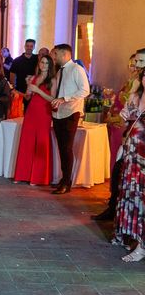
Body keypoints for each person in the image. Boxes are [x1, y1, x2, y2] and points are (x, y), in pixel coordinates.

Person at [93, 51, 143, 221]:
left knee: (123, 169)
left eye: (138, 62)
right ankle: (115, 205)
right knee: (117, 167)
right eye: (133, 62)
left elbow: (133, 110)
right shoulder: (133, 83)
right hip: (127, 129)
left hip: (135, 132)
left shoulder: (138, 84)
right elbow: (125, 109)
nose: (134, 66)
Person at [50, 44, 90, 194]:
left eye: (56, 54)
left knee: (66, 148)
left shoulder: (76, 69)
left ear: (65, 54)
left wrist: (64, 98)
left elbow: (85, 90)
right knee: (62, 148)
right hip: (59, 113)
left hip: (71, 112)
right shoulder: (60, 71)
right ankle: (64, 179)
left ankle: (67, 182)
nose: (55, 57)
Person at [114, 69, 145, 262]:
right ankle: (130, 235)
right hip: (133, 153)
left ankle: (141, 247)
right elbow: (122, 117)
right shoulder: (135, 96)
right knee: (131, 194)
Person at [13, 55, 56, 185]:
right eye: (42, 62)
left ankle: (38, 177)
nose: (43, 65)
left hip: (44, 113)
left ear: (50, 66)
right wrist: (26, 90)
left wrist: (38, 90)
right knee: (27, 141)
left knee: (41, 142)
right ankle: (22, 175)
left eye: (46, 63)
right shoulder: (34, 78)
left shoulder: (52, 80)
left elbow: (52, 99)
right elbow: (27, 97)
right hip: (31, 111)